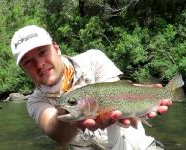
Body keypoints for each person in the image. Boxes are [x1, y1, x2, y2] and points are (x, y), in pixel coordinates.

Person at [10, 25, 172, 150]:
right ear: (23, 69)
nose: (39, 64)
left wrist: (146, 98)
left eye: (43, 52)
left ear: (56, 48)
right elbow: (58, 135)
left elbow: (119, 91)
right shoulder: (35, 101)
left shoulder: (93, 59)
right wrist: (68, 112)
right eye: (28, 62)